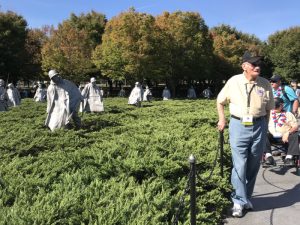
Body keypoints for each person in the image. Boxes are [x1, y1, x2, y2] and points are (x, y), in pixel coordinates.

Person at [217, 51, 275, 217]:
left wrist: (265, 127)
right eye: (253, 64)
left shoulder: (265, 84)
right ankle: (237, 201)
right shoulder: (233, 81)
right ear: (244, 66)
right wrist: (222, 120)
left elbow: (269, 109)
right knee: (240, 164)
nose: (258, 67)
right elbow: (220, 101)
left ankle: (246, 197)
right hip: (238, 125)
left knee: (253, 164)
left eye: (259, 64)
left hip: (259, 126)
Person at [264, 98, 299, 166]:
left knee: (295, 134)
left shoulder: (288, 114)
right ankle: (269, 157)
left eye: (277, 106)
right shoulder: (269, 114)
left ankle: (289, 158)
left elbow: (295, 126)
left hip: (286, 137)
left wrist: (287, 133)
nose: (275, 108)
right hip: (272, 136)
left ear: (282, 105)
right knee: (263, 134)